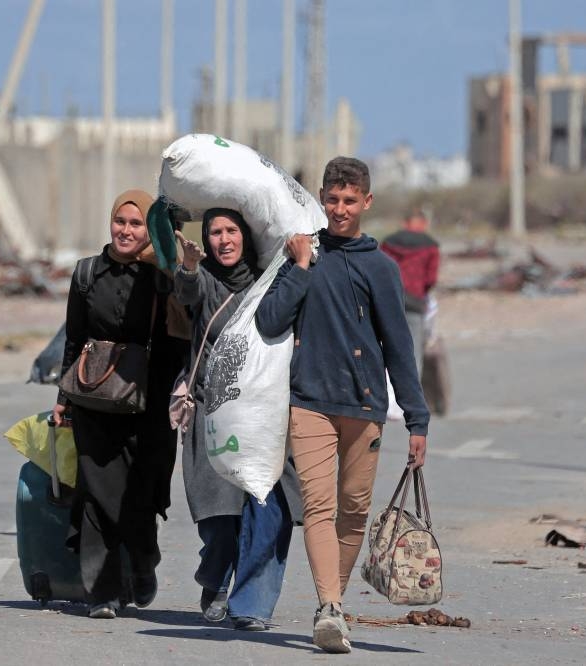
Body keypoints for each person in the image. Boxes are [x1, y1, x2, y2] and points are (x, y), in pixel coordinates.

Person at [255, 157, 430, 654]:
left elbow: (398, 347)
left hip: (364, 406)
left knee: (354, 510)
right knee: (318, 507)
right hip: (309, 401)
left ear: (366, 203)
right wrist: (302, 267)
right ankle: (329, 607)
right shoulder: (302, 255)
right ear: (321, 198)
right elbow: (270, 321)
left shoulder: (380, 268)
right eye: (332, 199)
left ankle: (335, 602)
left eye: (349, 201)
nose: (339, 209)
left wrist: (416, 419)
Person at [52, 189, 187, 619]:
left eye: (136, 224)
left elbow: (178, 338)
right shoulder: (87, 273)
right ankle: (102, 592)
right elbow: (74, 339)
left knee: (141, 494)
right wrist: (63, 399)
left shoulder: (161, 277)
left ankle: (143, 563)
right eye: (120, 222)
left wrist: (169, 262)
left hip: (150, 404)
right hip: (94, 399)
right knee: (95, 495)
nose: (126, 231)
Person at [173, 208, 303, 632]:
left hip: (260, 415)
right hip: (211, 412)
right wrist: (189, 268)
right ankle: (214, 583)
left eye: (231, 231)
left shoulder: (268, 282)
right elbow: (189, 294)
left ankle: (248, 601)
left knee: (262, 510)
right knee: (218, 519)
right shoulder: (205, 278)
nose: (223, 240)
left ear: (245, 236)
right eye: (214, 232)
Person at [380, 209, 440, 376]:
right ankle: (411, 396)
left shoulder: (388, 243)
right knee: (414, 353)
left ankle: (388, 392)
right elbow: (431, 279)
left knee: (388, 348)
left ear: (405, 223)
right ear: (423, 224)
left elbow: (379, 271)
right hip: (415, 303)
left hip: (389, 302)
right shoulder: (431, 246)